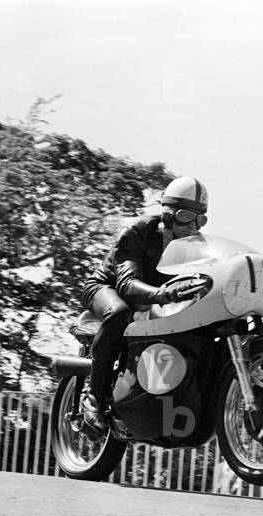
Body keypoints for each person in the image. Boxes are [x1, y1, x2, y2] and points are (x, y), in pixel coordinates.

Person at [79, 177, 212, 432]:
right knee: (119, 311)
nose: (194, 225)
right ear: (168, 214)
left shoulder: (198, 246)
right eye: (186, 216)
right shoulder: (138, 231)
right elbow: (127, 284)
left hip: (155, 299)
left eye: (201, 219)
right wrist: (164, 294)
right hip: (106, 288)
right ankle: (93, 398)